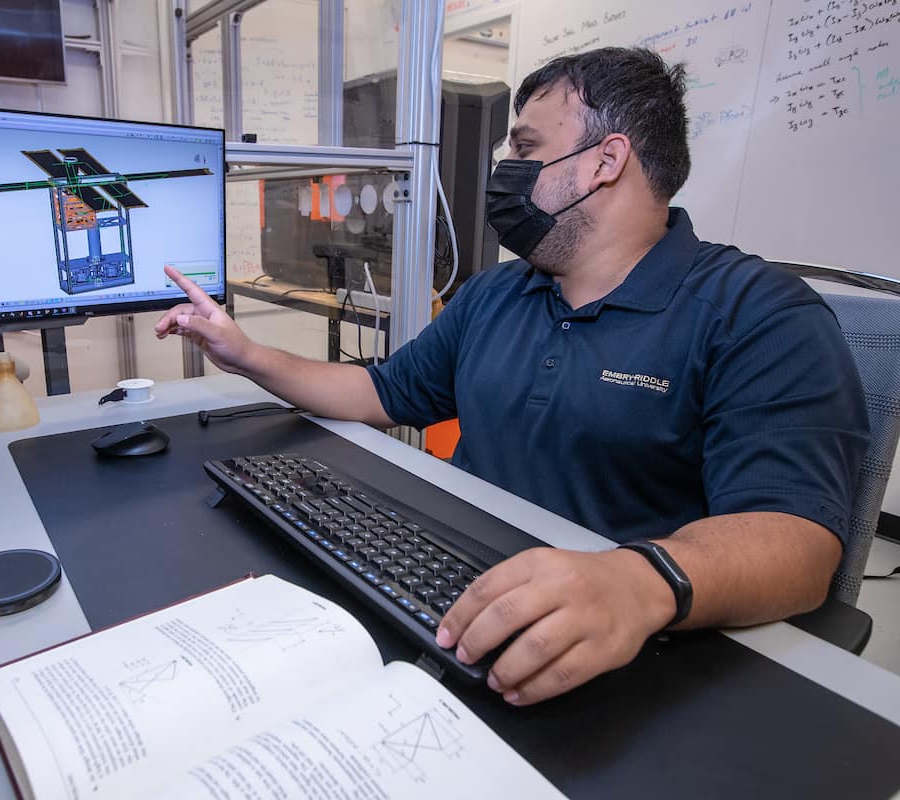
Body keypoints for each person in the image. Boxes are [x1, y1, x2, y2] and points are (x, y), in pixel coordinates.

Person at [155, 47, 869, 706]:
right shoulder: (500, 292)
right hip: (450, 588)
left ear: (606, 161)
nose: (506, 174)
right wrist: (243, 352)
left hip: (615, 642)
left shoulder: (760, 314)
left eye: (526, 149)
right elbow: (381, 392)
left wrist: (637, 579)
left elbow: (799, 543)